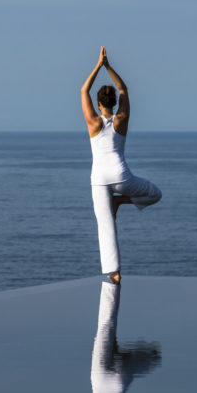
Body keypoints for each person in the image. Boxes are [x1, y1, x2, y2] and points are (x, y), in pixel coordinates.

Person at [80, 47, 162, 284]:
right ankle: (121, 200)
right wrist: (108, 66)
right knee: (155, 194)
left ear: (98, 103)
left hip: (98, 179)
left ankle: (113, 272)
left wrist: (97, 65)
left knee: (105, 227)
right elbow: (124, 88)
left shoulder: (92, 121)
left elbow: (83, 89)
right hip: (121, 177)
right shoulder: (121, 120)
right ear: (115, 102)